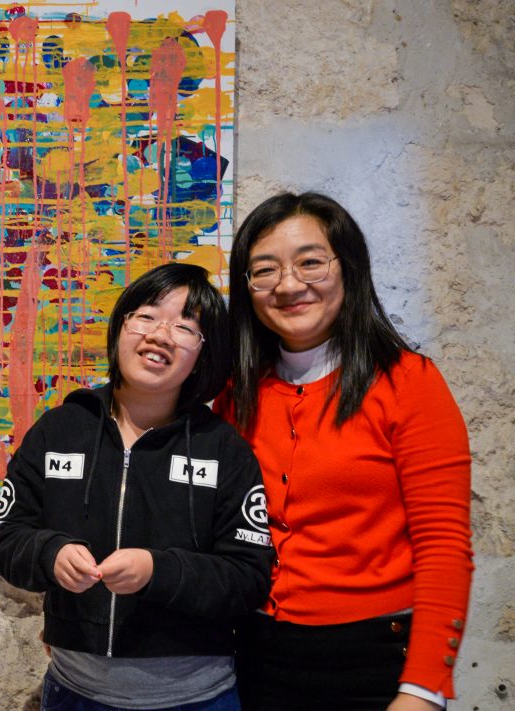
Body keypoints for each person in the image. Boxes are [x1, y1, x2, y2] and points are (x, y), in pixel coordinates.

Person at [214, 192, 474, 711]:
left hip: (374, 661)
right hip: (253, 659)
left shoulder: (408, 383)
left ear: (348, 268)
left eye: (310, 262)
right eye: (264, 271)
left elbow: (444, 544)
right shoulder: (236, 394)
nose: (289, 285)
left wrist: (423, 689)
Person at [0, 263, 273, 711]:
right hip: (73, 692)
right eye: (146, 315)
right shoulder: (59, 430)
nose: (160, 334)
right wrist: (51, 553)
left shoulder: (223, 449)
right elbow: (7, 539)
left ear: (204, 352)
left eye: (185, 327)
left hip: (197, 698)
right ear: (122, 324)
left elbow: (248, 576)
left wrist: (157, 571)